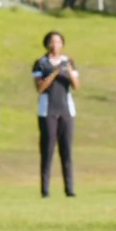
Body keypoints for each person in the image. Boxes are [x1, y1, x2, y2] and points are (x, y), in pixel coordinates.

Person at [31, 31, 79, 198]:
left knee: (66, 150)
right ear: (47, 44)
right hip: (47, 111)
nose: (55, 45)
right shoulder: (41, 63)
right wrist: (53, 73)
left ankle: (69, 189)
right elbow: (40, 88)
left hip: (66, 110)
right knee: (47, 150)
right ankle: (45, 190)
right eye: (52, 42)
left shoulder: (68, 61)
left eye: (58, 42)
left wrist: (69, 71)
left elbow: (76, 86)